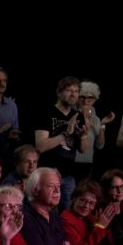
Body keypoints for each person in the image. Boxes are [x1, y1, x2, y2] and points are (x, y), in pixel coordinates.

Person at [35, 77, 87, 207]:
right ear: (59, 92)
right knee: (47, 209)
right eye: (69, 90)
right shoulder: (46, 113)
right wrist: (65, 133)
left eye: (76, 91)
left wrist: (84, 136)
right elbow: (40, 146)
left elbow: (83, 149)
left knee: (67, 212)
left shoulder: (78, 116)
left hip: (69, 176)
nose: (73, 94)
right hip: (48, 173)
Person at [20, 167, 70, 245]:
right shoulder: (27, 219)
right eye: (51, 186)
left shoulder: (54, 215)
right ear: (35, 190)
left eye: (59, 186)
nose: (57, 191)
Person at [61, 178, 117, 245]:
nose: (86, 206)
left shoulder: (90, 217)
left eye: (91, 203)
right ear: (74, 198)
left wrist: (105, 226)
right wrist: (99, 228)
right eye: (82, 200)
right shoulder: (66, 219)